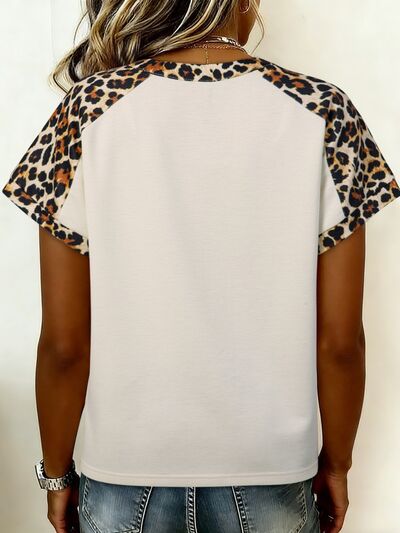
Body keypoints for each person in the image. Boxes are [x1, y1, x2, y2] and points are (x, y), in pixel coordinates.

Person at [2, 0, 399, 532]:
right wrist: (337, 463)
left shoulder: (88, 110)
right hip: (271, 469)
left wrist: (56, 476)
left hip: (124, 471)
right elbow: (341, 342)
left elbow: (64, 345)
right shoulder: (325, 112)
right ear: (245, 2)